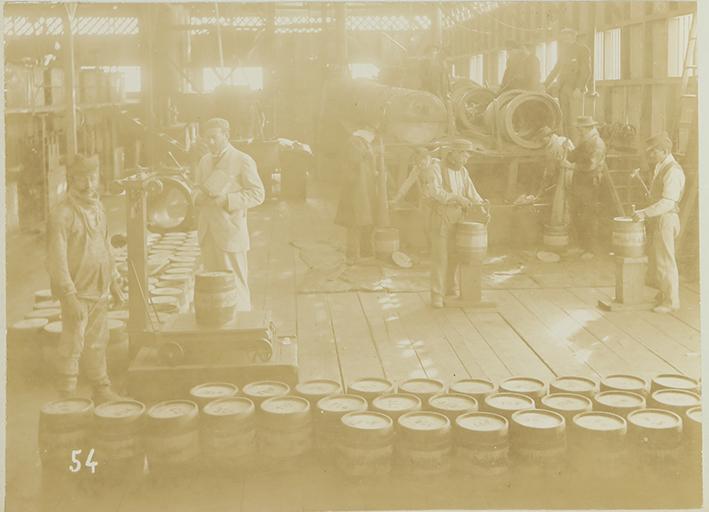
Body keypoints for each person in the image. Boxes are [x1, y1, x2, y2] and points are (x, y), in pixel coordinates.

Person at [46, 154, 125, 403]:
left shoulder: (98, 208)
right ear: (71, 179)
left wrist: (113, 281)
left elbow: (105, 247)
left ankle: (101, 389)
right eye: (81, 179)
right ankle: (66, 398)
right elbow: (56, 262)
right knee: (73, 344)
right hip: (78, 294)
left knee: (98, 342)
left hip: (99, 290)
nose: (88, 185)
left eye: (92, 178)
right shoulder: (62, 214)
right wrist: (68, 297)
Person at [193, 118, 265, 311]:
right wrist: (197, 197)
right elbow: (195, 188)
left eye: (213, 138)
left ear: (226, 136)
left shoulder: (242, 160)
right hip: (208, 232)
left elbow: (258, 194)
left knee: (235, 285)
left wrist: (227, 200)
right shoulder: (204, 161)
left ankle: (242, 326)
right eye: (206, 139)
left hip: (230, 233)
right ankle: (219, 330)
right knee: (213, 288)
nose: (209, 142)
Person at [422, 139, 489, 308]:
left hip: (458, 218)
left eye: (469, 154)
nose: (467, 157)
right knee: (440, 257)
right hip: (441, 216)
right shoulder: (436, 168)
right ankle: (436, 295)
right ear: (453, 153)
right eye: (465, 153)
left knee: (454, 255)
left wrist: (482, 206)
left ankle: (450, 289)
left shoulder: (463, 171)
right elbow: (435, 191)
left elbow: (472, 193)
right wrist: (456, 197)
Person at [632, 132, 686, 313]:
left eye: (653, 152)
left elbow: (668, 202)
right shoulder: (660, 166)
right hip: (660, 218)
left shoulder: (673, 171)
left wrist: (644, 213)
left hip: (667, 218)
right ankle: (664, 294)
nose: (650, 155)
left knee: (665, 261)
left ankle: (671, 301)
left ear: (665, 151)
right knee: (659, 259)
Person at [335, 124, 378, 265]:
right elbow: (354, 161)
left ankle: (366, 253)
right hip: (356, 190)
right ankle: (352, 256)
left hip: (365, 188)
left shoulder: (364, 142)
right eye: (372, 130)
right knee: (354, 222)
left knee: (366, 221)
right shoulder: (355, 142)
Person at [566, 116, 606, 259]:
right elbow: (572, 157)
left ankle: (591, 250)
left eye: (580, 128)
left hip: (590, 183)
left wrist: (571, 166)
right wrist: (568, 149)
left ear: (588, 128)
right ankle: (581, 247)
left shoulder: (597, 143)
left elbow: (590, 165)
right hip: (580, 182)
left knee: (588, 216)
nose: (578, 131)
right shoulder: (584, 141)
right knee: (576, 214)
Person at [543, 28, 591, 142]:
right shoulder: (563, 51)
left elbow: (586, 71)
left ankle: (577, 146)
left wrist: (579, 88)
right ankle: (568, 145)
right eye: (563, 37)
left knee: (575, 120)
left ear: (574, 37)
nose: (565, 39)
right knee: (565, 119)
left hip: (575, 90)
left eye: (568, 36)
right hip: (563, 89)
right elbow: (556, 69)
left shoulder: (582, 50)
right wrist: (545, 84)